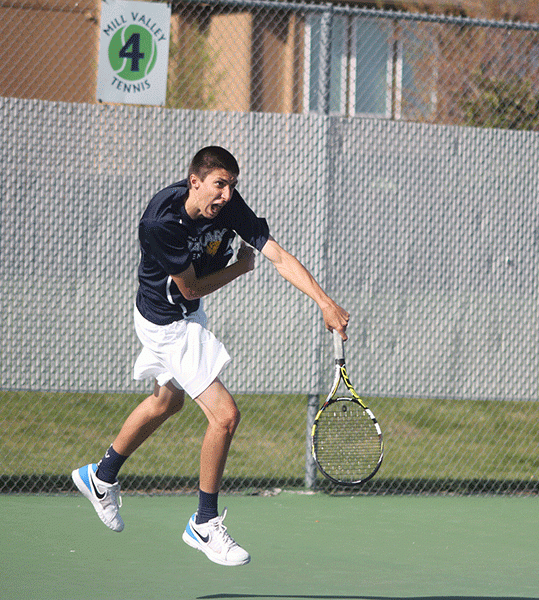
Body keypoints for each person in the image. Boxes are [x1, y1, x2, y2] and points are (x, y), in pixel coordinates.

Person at [72, 146, 349, 566]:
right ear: (194, 181)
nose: (225, 195)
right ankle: (203, 523)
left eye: (231, 186)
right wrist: (239, 268)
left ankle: (100, 475)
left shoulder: (227, 206)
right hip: (168, 322)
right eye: (219, 185)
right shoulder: (161, 224)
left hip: (181, 315)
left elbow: (275, 253)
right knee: (225, 416)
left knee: (167, 401)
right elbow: (192, 289)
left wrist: (324, 302)